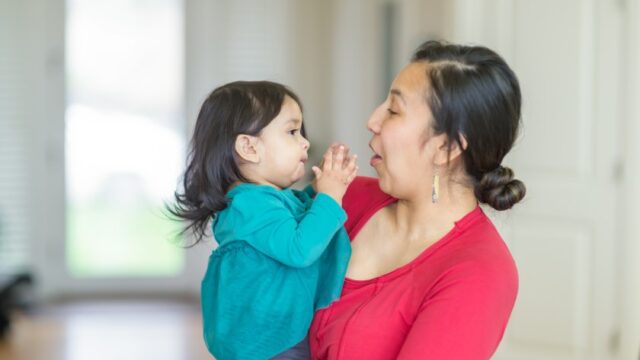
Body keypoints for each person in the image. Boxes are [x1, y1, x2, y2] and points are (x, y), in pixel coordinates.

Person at [308, 40, 526, 359]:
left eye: (394, 110)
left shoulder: (481, 272)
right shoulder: (344, 198)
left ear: (446, 148)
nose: (372, 120)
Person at [168, 81, 358, 359]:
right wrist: (329, 197)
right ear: (249, 147)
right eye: (292, 131)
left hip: (279, 337)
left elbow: (293, 220)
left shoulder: (262, 201)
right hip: (272, 344)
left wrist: (320, 192)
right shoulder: (250, 205)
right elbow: (299, 248)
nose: (305, 142)